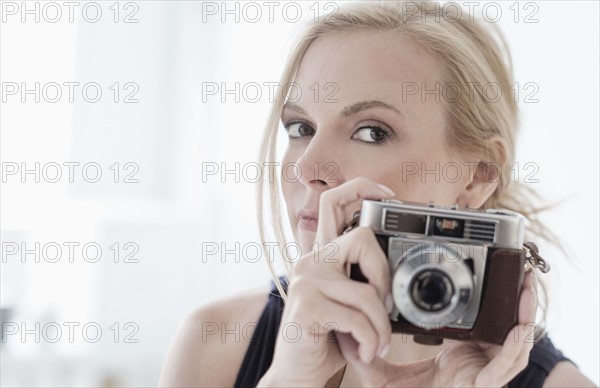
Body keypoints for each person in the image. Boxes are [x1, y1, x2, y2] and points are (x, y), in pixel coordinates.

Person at [159, 1, 597, 387]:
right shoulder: (213, 342)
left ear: (476, 177)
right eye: (300, 128)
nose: (306, 167)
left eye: (371, 132)